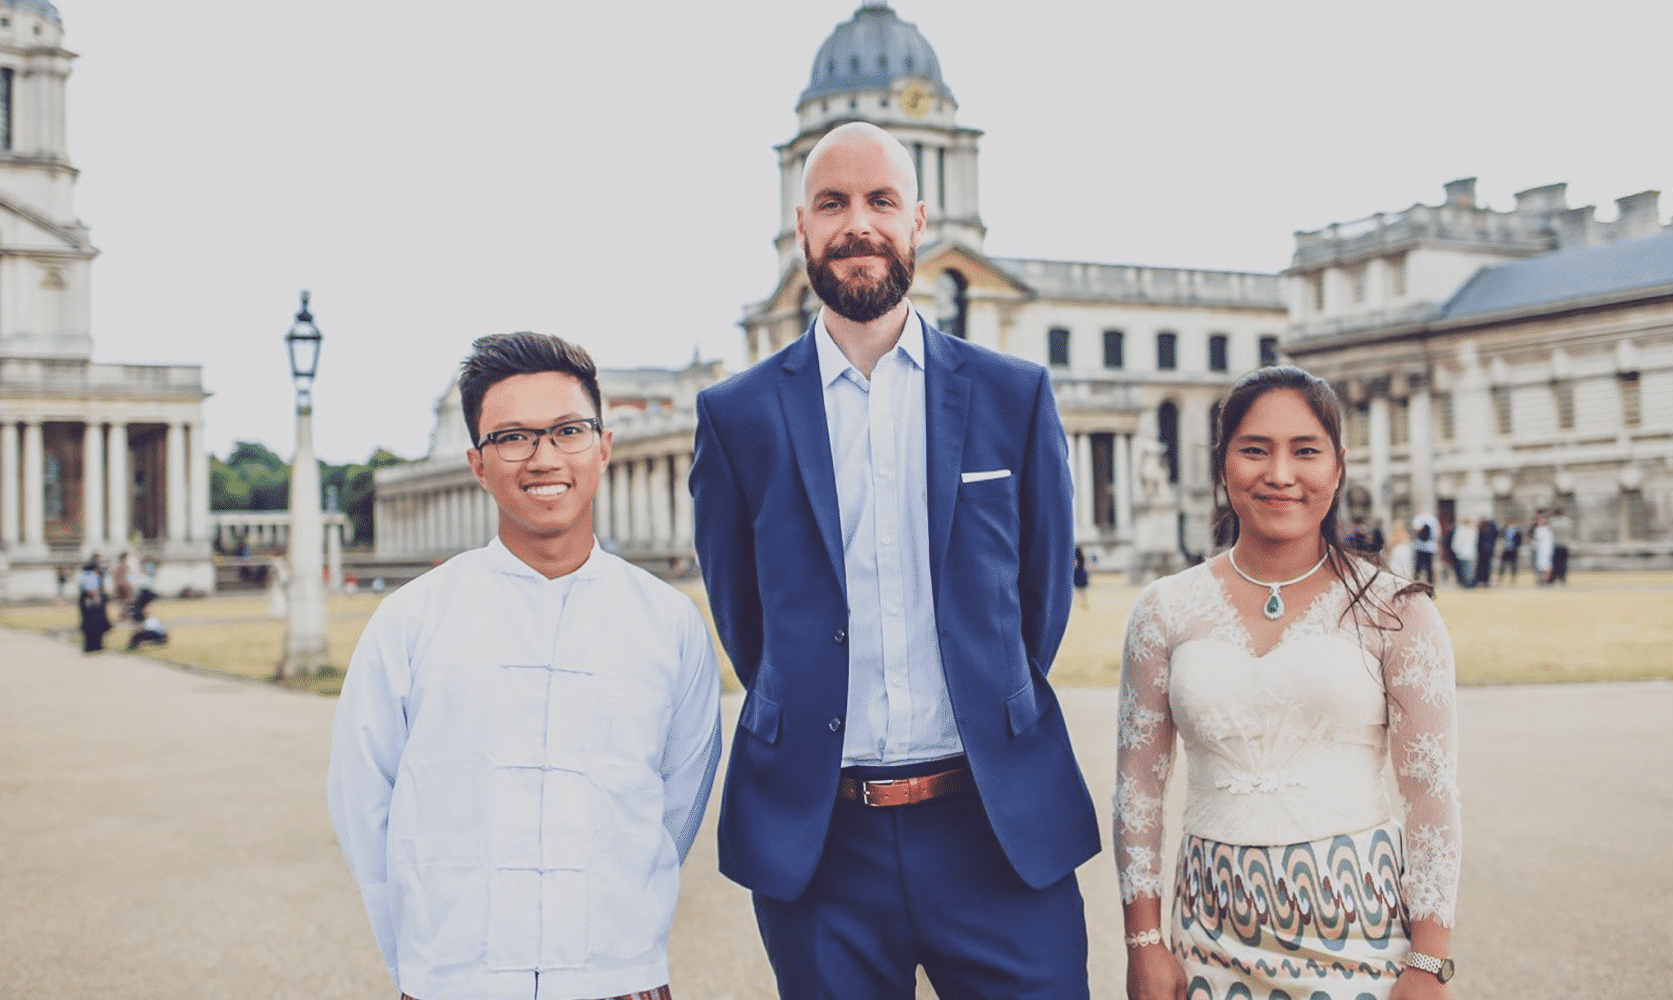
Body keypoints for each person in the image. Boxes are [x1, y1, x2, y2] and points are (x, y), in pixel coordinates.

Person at [692, 120, 1097, 1000]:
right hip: (824, 846)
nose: (858, 224)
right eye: (832, 204)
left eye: (880, 201)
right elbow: (745, 623)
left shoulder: (1015, 395)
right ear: (801, 228)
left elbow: (1041, 601)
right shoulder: (736, 417)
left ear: (917, 220)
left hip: (996, 829)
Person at [329, 332, 722, 1000]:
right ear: (477, 464)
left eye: (568, 430)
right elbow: (363, 803)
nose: (544, 457)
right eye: (513, 437)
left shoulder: (670, 623)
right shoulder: (410, 621)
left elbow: (676, 804)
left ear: (604, 445)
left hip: (619, 973)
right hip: (457, 978)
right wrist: (424, 962)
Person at [1116, 365, 1461, 1000]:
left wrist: (1429, 959)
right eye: (1255, 450)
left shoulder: (1396, 610)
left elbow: (1431, 795)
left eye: (1305, 451)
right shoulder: (1164, 609)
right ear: (1223, 464)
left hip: (1362, 935)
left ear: (1338, 466)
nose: (1280, 474)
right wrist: (1143, 941)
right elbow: (1138, 786)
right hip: (1207, 935)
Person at [76, 555, 111, 653]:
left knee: (87, 623)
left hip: (84, 600)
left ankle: (88, 646)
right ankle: (96, 646)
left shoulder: (83, 575)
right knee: (96, 624)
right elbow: (93, 590)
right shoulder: (93, 576)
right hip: (92, 601)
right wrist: (97, 601)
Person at [1410, 508, 1439, 586]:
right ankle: (1430, 582)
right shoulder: (1433, 520)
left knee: (1418, 565)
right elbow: (1437, 534)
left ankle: (1416, 580)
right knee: (1429, 565)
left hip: (1420, 546)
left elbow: (1415, 530)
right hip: (1430, 547)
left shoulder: (1418, 518)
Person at [1449, 517, 1477, 589]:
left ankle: (1469, 583)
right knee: (1463, 570)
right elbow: (1456, 542)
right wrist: (1457, 551)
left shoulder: (1473, 530)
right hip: (1462, 553)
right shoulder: (1460, 530)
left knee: (1470, 570)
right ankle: (1464, 583)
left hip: (1470, 553)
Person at [1548, 506, 1573, 585]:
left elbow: (1552, 529)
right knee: (1559, 563)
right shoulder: (1566, 521)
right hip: (1560, 545)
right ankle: (1559, 577)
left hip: (1560, 544)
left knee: (1559, 563)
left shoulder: (1556, 521)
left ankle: (1560, 577)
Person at [1532, 509, 1555, 584]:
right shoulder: (1538, 529)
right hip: (1540, 549)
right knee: (1541, 565)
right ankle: (1543, 579)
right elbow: (1536, 539)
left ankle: (1546, 580)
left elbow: (1550, 540)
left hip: (1547, 549)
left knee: (1547, 565)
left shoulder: (1549, 529)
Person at [1474, 515, 1498, 588]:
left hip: (1484, 551)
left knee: (1484, 566)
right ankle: (1483, 581)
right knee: (1484, 566)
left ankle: (1482, 581)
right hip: (1485, 551)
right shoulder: (1484, 527)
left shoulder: (1487, 527)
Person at [1499, 519, 1522, 584]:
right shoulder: (1505, 531)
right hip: (1506, 549)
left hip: (1513, 550)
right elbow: (1501, 537)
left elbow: (1519, 541)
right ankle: (1500, 577)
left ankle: (1513, 578)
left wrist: (1515, 546)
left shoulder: (1517, 532)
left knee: (1513, 565)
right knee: (1503, 564)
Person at [1075, 545, 1092, 610]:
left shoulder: (1077, 557)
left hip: (1078, 573)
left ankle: (1078, 604)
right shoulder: (1081, 557)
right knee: (1083, 592)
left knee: (1078, 591)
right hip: (1081, 573)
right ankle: (1083, 603)